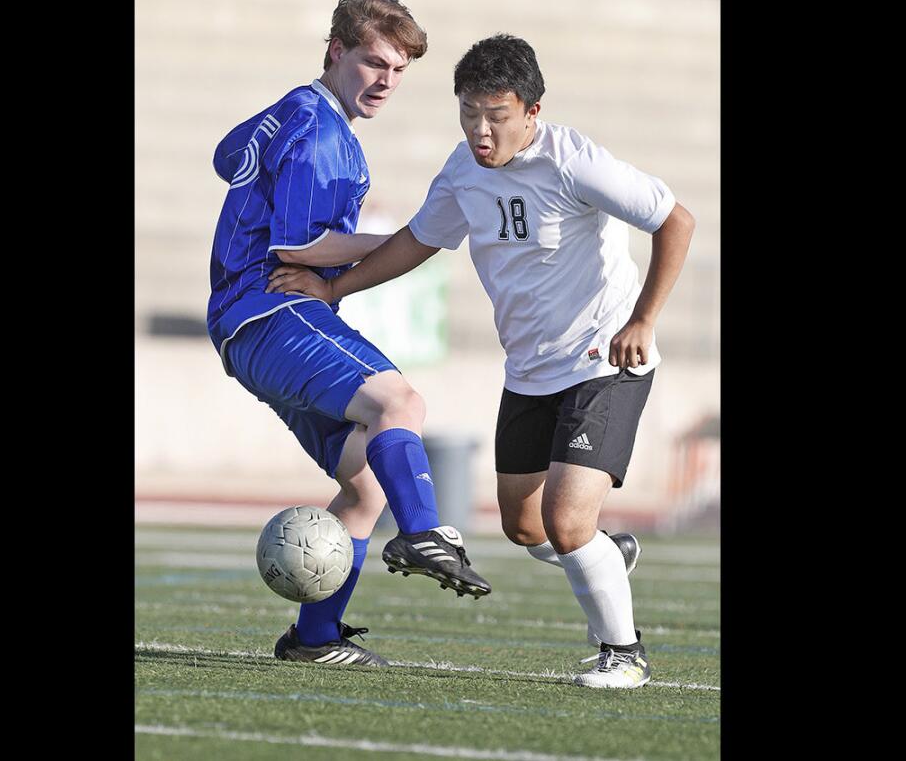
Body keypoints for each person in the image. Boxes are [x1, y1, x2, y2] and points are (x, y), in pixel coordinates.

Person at [267, 34, 696, 689]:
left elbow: (676, 221)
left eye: (496, 115)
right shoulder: (463, 171)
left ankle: (623, 654)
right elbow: (417, 241)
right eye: (469, 112)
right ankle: (603, 557)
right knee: (525, 526)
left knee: (565, 518)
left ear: (532, 111)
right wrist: (332, 287)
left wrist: (642, 320)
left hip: (603, 358)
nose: (481, 130)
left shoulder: (574, 161)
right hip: (528, 371)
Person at [207, 0, 494, 669]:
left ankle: (313, 638)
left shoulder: (296, 110)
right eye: (373, 62)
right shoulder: (317, 128)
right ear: (336, 52)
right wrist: (408, 239)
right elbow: (299, 247)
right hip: (271, 310)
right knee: (401, 404)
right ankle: (423, 532)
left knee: (364, 486)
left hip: (248, 323)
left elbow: (228, 156)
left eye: (398, 70)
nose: (386, 81)